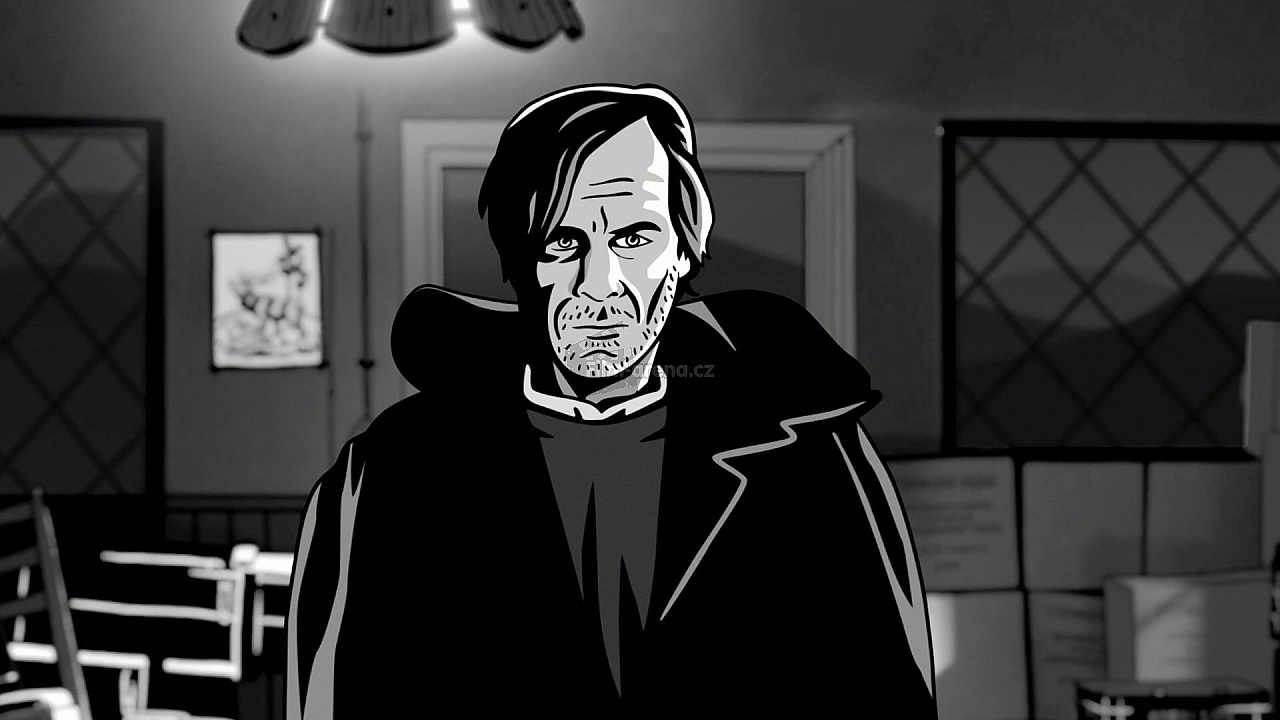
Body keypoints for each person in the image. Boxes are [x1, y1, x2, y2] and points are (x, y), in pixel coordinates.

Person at [286, 83, 936, 717]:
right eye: (563, 242)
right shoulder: (395, 469)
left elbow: (882, 687)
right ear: (519, 262)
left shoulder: (804, 453)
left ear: (683, 252)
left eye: (633, 239)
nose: (599, 285)